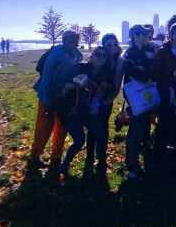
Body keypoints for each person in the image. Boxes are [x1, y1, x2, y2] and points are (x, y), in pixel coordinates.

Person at [29, 31, 82, 170]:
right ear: (63, 40)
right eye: (69, 39)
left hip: (64, 98)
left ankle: (56, 159)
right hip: (49, 96)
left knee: (61, 128)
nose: (73, 42)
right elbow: (46, 78)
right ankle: (34, 158)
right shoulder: (55, 55)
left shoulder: (77, 55)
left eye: (75, 39)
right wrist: (46, 101)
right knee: (44, 128)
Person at [58, 47, 112, 181]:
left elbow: (108, 92)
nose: (101, 57)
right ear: (92, 56)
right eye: (98, 54)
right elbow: (62, 84)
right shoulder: (80, 68)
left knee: (101, 136)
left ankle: (101, 164)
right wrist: (78, 86)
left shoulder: (105, 75)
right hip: (71, 110)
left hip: (89, 112)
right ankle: (64, 166)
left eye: (104, 56)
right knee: (79, 140)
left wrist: (104, 93)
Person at [85, 33, 124, 170]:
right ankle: (89, 157)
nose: (112, 47)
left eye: (115, 44)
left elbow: (117, 81)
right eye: (109, 44)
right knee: (92, 127)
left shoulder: (119, 60)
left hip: (107, 97)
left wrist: (110, 98)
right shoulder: (100, 56)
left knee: (103, 126)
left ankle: (101, 158)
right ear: (103, 45)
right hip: (92, 97)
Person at [123, 25, 155, 179]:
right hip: (136, 94)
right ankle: (133, 166)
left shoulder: (141, 50)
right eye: (142, 34)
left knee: (135, 127)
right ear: (134, 36)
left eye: (146, 33)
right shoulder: (131, 52)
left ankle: (129, 161)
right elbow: (128, 67)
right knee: (137, 129)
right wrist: (145, 78)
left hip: (141, 93)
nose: (145, 35)